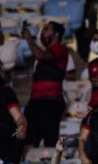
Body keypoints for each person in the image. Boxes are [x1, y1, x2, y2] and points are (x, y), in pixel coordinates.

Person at [22, 21, 69, 150]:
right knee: (29, 141)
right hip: (36, 101)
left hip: (50, 102)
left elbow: (41, 55)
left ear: (56, 35)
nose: (43, 32)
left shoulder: (60, 49)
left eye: (46, 29)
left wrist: (28, 39)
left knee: (50, 142)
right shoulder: (46, 52)